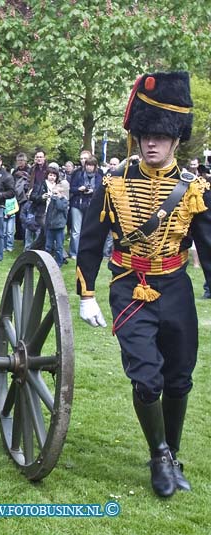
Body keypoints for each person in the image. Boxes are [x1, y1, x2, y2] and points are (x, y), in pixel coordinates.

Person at [77, 71, 211, 498]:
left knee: (179, 379)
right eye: (144, 134)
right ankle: (158, 455)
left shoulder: (195, 189)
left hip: (175, 288)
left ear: (175, 141)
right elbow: (90, 242)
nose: (151, 142)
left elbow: (208, 247)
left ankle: (172, 452)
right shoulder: (112, 183)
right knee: (146, 377)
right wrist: (87, 293)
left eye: (160, 136)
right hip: (129, 286)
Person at [42, 169, 69, 266]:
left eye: (57, 193)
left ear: (62, 194)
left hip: (59, 227)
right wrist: (47, 225)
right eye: (54, 193)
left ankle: (59, 262)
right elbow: (49, 213)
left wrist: (57, 198)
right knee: (48, 246)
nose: (54, 196)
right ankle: (46, 262)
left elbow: (60, 207)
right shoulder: (52, 201)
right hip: (50, 226)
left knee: (59, 246)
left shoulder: (64, 201)